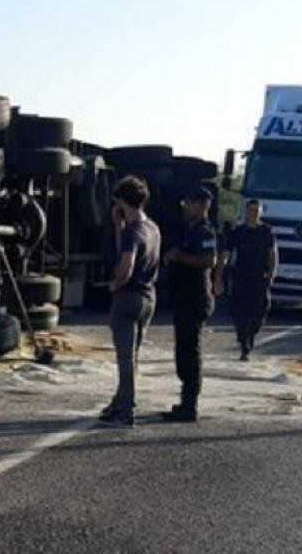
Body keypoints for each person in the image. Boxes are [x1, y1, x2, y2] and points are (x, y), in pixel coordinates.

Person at [98, 175, 161, 428]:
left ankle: (126, 408)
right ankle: (119, 400)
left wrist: (116, 284)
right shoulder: (152, 228)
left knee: (124, 357)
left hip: (129, 297)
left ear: (122, 201)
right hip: (149, 296)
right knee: (133, 355)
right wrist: (116, 226)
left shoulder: (132, 232)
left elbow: (126, 263)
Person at [162, 186, 217, 422]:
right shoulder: (187, 230)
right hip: (182, 297)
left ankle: (190, 404)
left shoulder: (205, 232)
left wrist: (179, 257)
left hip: (194, 298)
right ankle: (185, 399)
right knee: (182, 349)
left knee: (190, 352)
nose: (187, 207)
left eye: (191, 203)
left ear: (203, 205)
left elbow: (208, 260)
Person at [215, 199, 277, 361]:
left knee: (260, 311)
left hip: (259, 277)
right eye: (250, 210)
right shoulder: (238, 232)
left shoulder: (266, 232)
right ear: (245, 212)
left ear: (261, 212)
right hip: (240, 277)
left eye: (257, 210)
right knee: (239, 312)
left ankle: (251, 334)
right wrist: (219, 276)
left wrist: (272, 273)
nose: (253, 213)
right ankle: (244, 344)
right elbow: (225, 255)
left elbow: (272, 254)